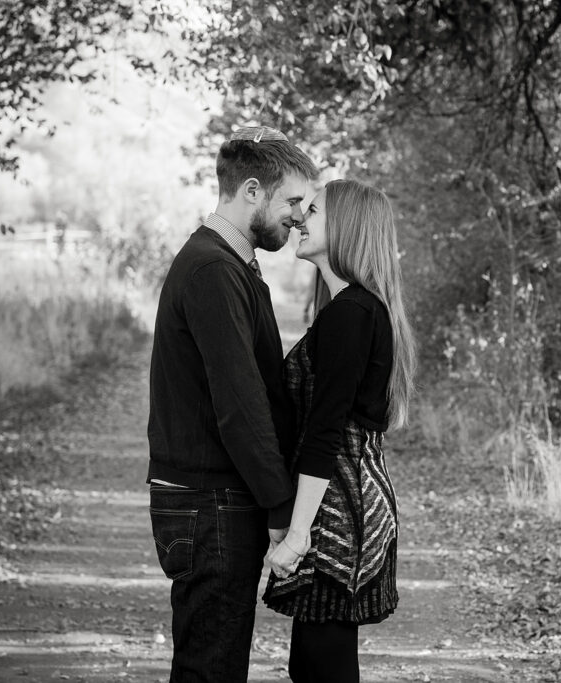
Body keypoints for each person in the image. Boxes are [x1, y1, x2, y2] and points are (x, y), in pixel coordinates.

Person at [146, 126, 318, 682]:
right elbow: (240, 404)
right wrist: (280, 507)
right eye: (292, 200)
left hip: (210, 503)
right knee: (210, 669)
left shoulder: (230, 263)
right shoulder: (215, 269)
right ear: (251, 191)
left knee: (211, 664)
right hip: (210, 505)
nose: (299, 215)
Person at [262, 179, 417, 682]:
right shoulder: (351, 308)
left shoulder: (351, 313)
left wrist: (298, 534)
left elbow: (325, 434)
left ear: (346, 228)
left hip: (339, 512)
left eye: (315, 210)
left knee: (322, 667)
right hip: (343, 499)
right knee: (311, 664)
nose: (300, 219)